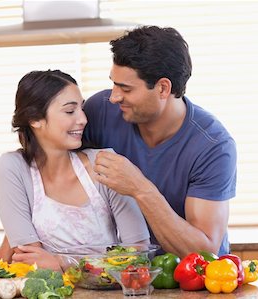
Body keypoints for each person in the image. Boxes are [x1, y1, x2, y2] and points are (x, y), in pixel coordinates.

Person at [83, 25, 237, 257]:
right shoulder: (100, 110)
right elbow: (46, 161)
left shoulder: (212, 145)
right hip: (124, 273)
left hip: (192, 282)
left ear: (163, 88)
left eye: (125, 88)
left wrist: (139, 187)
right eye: (114, 83)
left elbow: (204, 253)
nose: (114, 96)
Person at [0, 70, 150, 269]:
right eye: (70, 111)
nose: (83, 119)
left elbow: (139, 252)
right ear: (35, 119)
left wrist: (60, 262)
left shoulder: (105, 165)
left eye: (81, 109)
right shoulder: (13, 168)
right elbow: (30, 260)